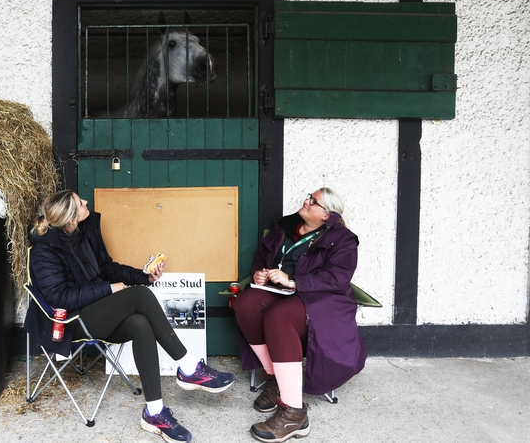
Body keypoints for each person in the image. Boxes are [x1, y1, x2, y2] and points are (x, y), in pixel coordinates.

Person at [25, 190, 235, 443]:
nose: (86, 203)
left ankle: (154, 412)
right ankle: (189, 367)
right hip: (71, 322)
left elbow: (107, 268)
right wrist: (108, 288)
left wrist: (145, 277)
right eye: (81, 203)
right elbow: (59, 297)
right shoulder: (44, 250)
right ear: (71, 217)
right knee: (140, 297)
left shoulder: (81, 234)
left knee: (140, 323)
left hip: (96, 311)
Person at [234, 188, 366, 443]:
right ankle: (275, 378)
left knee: (278, 316)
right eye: (308, 197)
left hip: (320, 302)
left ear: (327, 215)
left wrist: (294, 281)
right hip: (281, 293)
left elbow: (337, 279)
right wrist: (261, 273)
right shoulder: (284, 226)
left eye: (312, 201)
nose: (305, 202)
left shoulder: (343, 240)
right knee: (246, 303)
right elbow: (263, 256)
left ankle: (294, 413)